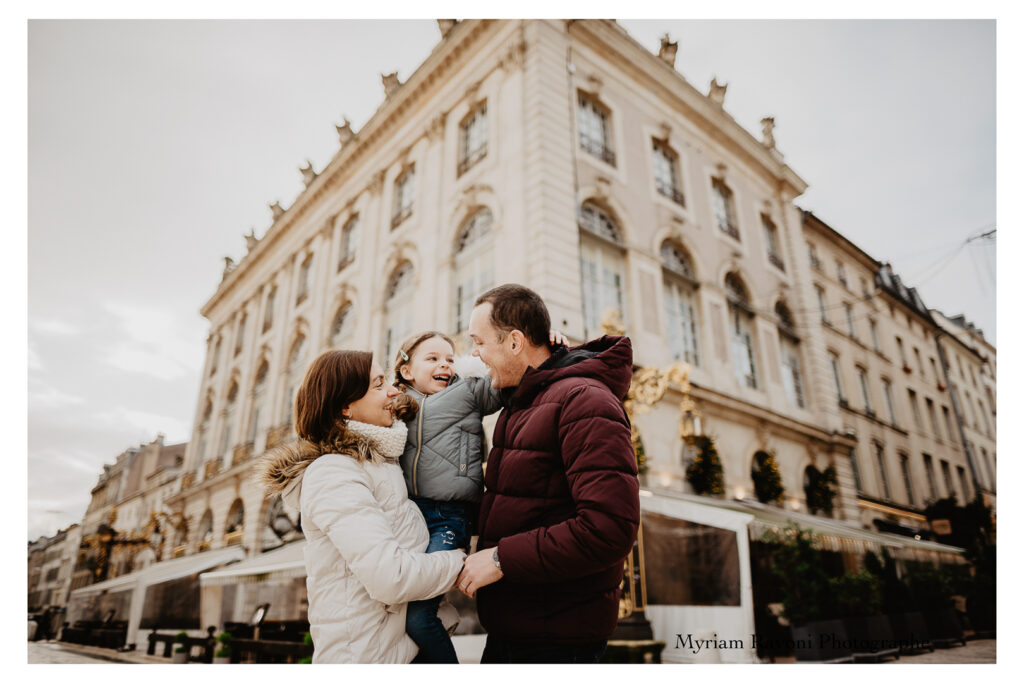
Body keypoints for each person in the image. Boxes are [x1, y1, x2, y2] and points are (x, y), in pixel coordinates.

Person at [456, 283, 640, 664]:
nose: (474, 353)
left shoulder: (584, 401)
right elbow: (523, 505)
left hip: (556, 642)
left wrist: (499, 559)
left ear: (514, 342)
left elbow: (608, 530)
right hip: (519, 630)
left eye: (479, 342)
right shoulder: (519, 405)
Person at [259, 350, 465, 663]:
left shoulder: (378, 463)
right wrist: (462, 563)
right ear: (345, 406)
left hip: (395, 648)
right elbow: (389, 576)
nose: (394, 391)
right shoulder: (333, 472)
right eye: (379, 385)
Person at [390, 328, 567, 662]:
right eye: (432, 358)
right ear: (406, 371)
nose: (445, 364)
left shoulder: (468, 391)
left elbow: (514, 379)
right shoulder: (396, 405)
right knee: (401, 614)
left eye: (448, 358)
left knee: (418, 615)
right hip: (408, 517)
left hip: (448, 518)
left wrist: (548, 348)